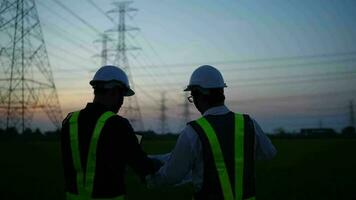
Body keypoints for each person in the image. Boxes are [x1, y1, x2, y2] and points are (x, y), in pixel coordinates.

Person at [147, 65, 277, 200]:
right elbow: (269, 153)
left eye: (192, 96)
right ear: (222, 92)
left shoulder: (193, 132)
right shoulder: (249, 123)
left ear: (199, 94)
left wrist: (151, 178)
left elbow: (172, 175)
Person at [61, 65, 161, 200]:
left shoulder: (70, 120)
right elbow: (142, 165)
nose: (122, 103)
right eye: (122, 96)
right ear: (113, 92)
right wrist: (162, 162)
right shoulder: (118, 124)